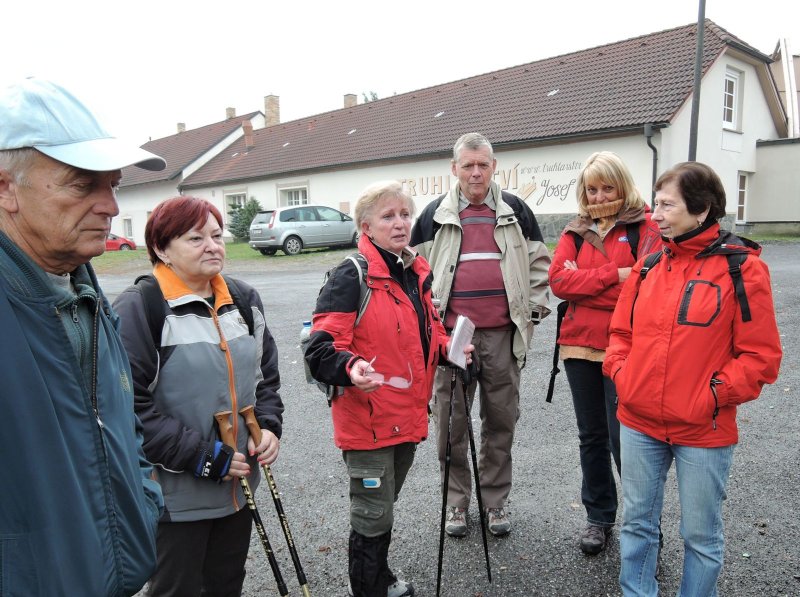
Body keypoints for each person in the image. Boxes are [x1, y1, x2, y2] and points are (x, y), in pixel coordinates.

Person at [0, 77, 166, 595]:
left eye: (113, 184)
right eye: (82, 184)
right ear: (5, 188)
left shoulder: (84, 291)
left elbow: (119, 423)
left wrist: (143, 498)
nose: (111, 206)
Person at [603, 162, 782, 596]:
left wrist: (711, 395)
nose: (655, 214)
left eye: (666, 205)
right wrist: (623, 374)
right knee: (638, 526)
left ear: (701, 210)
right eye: (656, 203)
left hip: (704, 430)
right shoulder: (647, 268)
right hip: (639, 421)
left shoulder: (743, 270)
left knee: (700, 536)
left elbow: (761, 357)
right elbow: (619, 335)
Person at [305, 180, 470, 597]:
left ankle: (378, 576)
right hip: (368, 420)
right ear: (367, 225)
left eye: (404, 215)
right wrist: (351, 366)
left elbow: (428, 332)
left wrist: (451, 349)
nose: (399, 224)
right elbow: (320, 348)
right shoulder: (351, 275)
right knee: (372, 512)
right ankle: (367, 587)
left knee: (382, 509)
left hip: (407, 416)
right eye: (388, 216)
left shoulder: (413, 272)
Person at [113, 196, 284, 595]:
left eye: (217, 235)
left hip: (238, 488)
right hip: (174, 499)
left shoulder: (242, 299)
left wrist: (269, 426)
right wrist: (204, 457)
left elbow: (266, 379)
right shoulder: (143, 307)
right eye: (195, 238)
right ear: (160, 248)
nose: (213, 246)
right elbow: (128, 406)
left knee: (226, 584)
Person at [410, 132, 551, 537]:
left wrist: (533, 313)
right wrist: (430, 327)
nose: (476, 172)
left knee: (501, 421)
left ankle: (495, 503)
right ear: (454, 169)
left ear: (494, 166)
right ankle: (456, 504)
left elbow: (540, 266)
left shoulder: (516, 211)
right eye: (468, 165)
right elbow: (415, 272)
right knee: (451, 425)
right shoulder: (433, 215)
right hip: (451, 340)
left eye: (483, 164)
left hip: (502, 337)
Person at [548, 151, 661, 555]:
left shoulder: (645, 226)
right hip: (579, 348)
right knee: (591, 437)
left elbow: (648, 283)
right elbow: (559, 281)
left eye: (606, 187)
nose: (597, 197)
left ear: (622, 185)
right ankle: (599, 518)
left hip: (626, 347)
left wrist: (587, 282)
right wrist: (615, 276)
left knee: (625, 439)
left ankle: (644, 523)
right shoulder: (576, 229)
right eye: (591, 189)